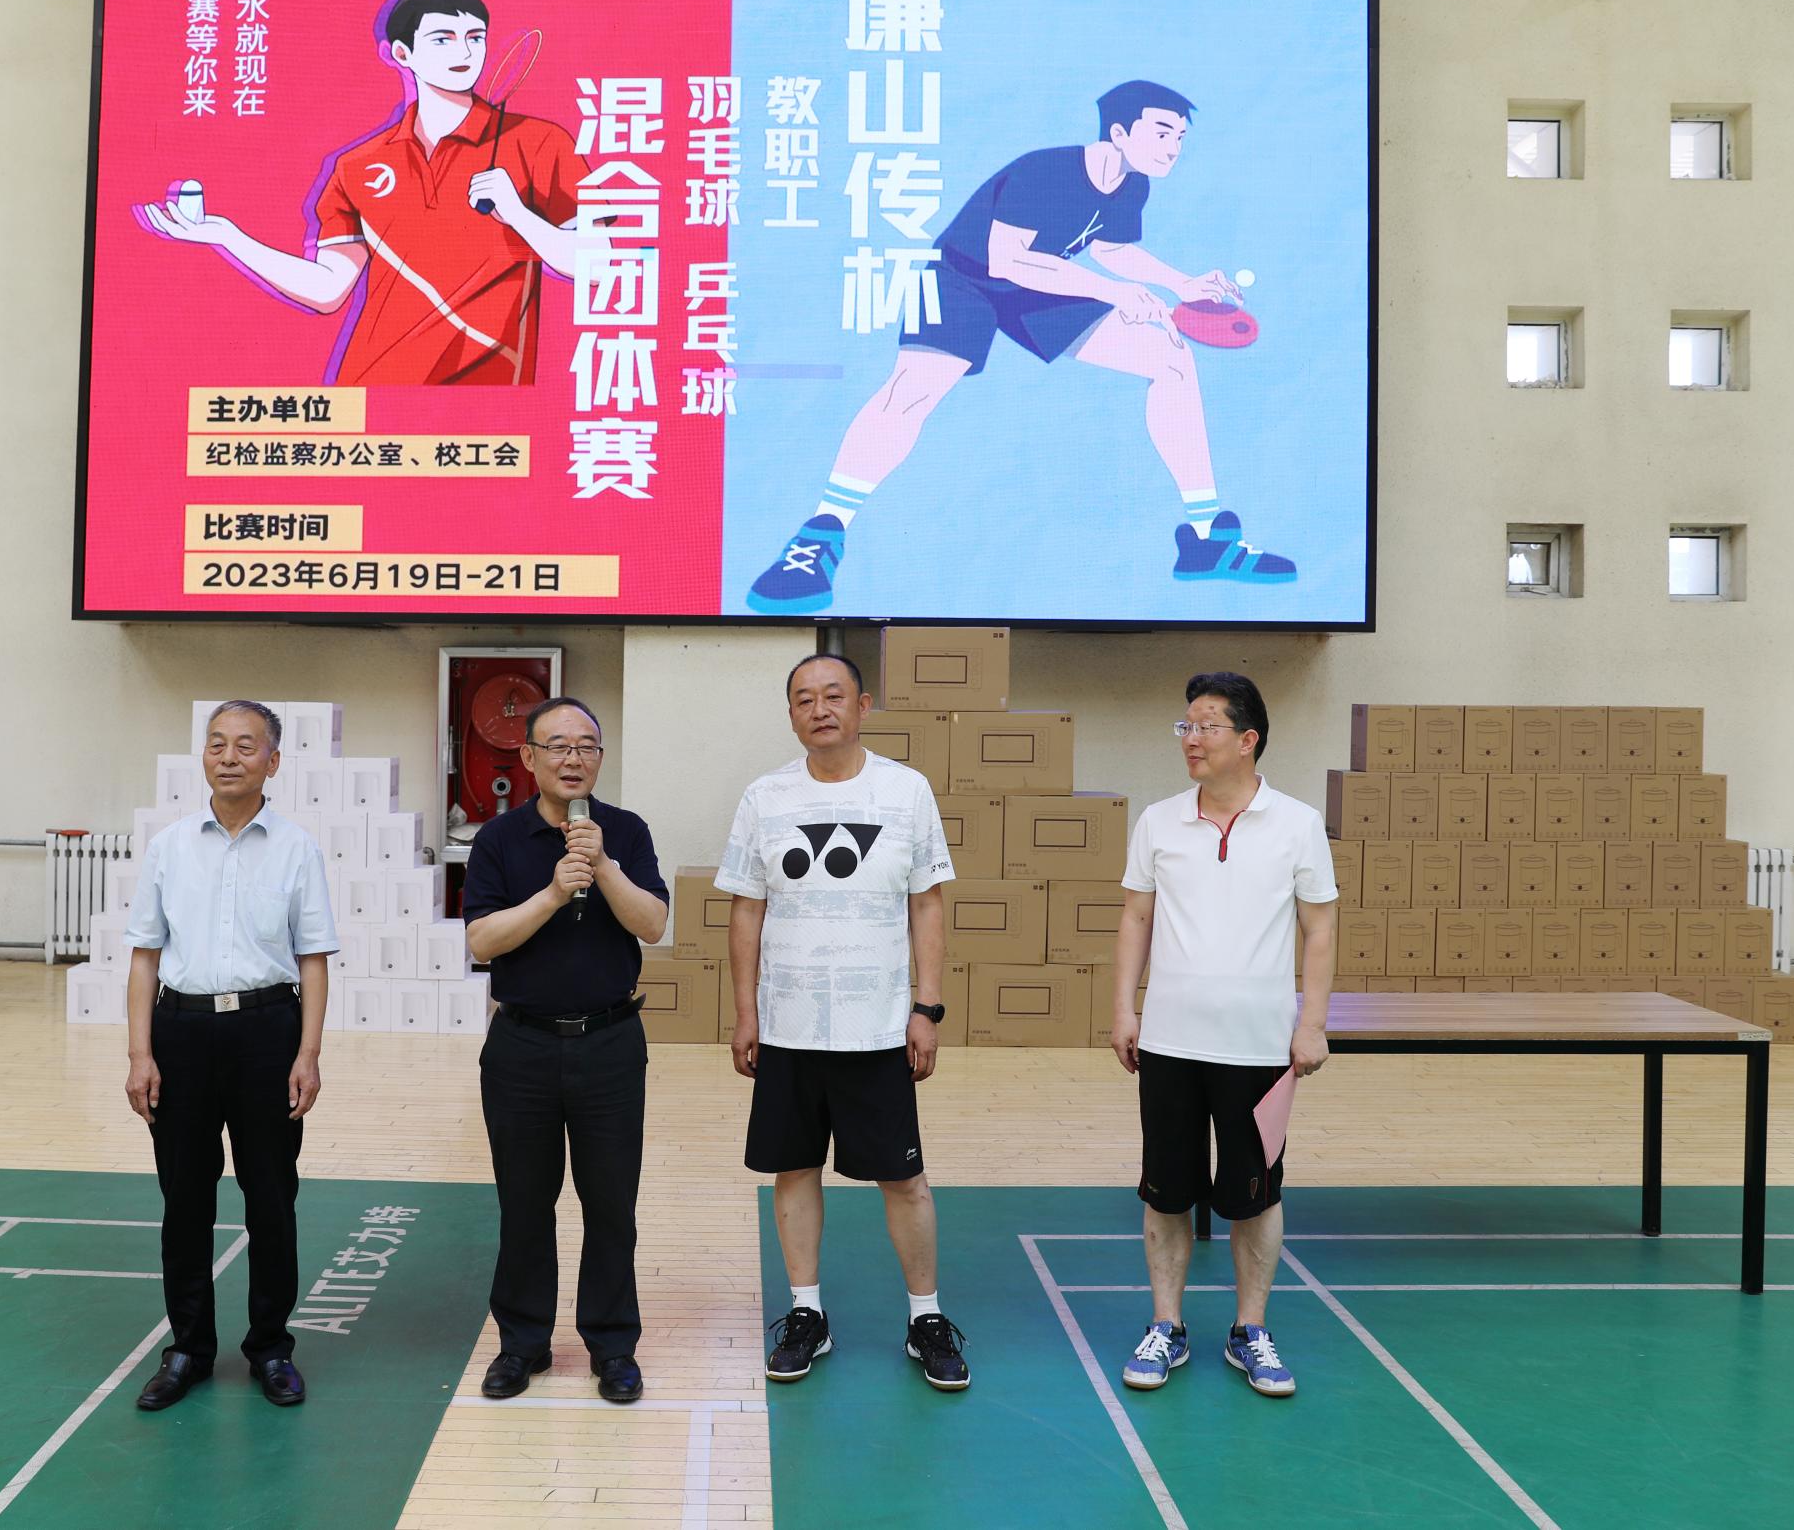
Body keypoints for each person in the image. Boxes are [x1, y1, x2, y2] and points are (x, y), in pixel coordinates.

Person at [743, 81, 1293, 614]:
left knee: (1171, 359)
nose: (1173, 147)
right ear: (1120, 132)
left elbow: (1113, 248)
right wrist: (1113, 293)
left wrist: (1181, 283)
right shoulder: (1045, 171)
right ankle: (818, 538)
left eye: (1180, 138)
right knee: (913, 391)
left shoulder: (1133, 184)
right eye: (1163, 132)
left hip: (1039, 283)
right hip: (961, 277)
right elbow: (1007, 259)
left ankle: (1206, 539)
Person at [719, 653, 969, 1392]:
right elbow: (746, 910)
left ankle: (926, 1318)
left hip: (878, 1027)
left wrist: (926, 1007)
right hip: (788, 1026)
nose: (819, 708)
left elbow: (927, 903)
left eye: (834, 695)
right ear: (791, 714)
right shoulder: (764, 796)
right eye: (804, 698)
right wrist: (746, 1012)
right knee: (793, 1169)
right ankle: (807, 1314)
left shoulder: (906, 790)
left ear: (863, 706)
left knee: (904, 1178)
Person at [137, 0, 594, 385]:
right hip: (369, 390)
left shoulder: (540, 142)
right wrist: (228, 237)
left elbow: (596, 264)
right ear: (402, 54)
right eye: (443, 39)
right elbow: (327, 290)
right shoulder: (359, 165)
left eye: (475, 38)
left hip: (487, 396)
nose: (465, 53)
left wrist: (518, 215)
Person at [1107, 672, 1336, 1398]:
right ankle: (1166, 1326)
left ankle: (1250, 1331)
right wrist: (1124, 1009)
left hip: (1259, 1049)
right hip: (1170, 1044)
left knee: (1255, 1196)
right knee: (1166, 1192)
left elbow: (1320, 927)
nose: (1191, 739)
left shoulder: (1297, 823)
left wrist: (1312, 1024)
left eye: (1206, 726)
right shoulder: (1158, 822)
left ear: (1248, 739)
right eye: (1185, 726)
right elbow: (1135, 918)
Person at [123, 700, 337, 1412]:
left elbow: (312, 959)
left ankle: (271, 1348)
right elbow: (145, 956)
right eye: (216, 744)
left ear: (273, 761)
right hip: (181, 1034)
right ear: (203, 757)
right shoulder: (170, 846)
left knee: (271, 1197)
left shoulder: (297, 848)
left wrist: (308, 1053)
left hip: (267, 1032)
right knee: (184, 1200)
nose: (229, 756)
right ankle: (188, 1348)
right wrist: (140, 1054)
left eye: (246, 745)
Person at [462, 697, 670, 1403]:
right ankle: (522, 1344)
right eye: (557, 745)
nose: (573, 758)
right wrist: (553, 893)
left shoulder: (627, 831)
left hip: (610, 1043)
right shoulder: (499, 839)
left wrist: (602, 865)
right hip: (521, 1045)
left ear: (600, 758)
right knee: (524, 1202)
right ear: (528, 757)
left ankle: (612, 1346)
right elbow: (482, 940)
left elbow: (653, 924)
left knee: (611, 1203)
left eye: (586, 746)